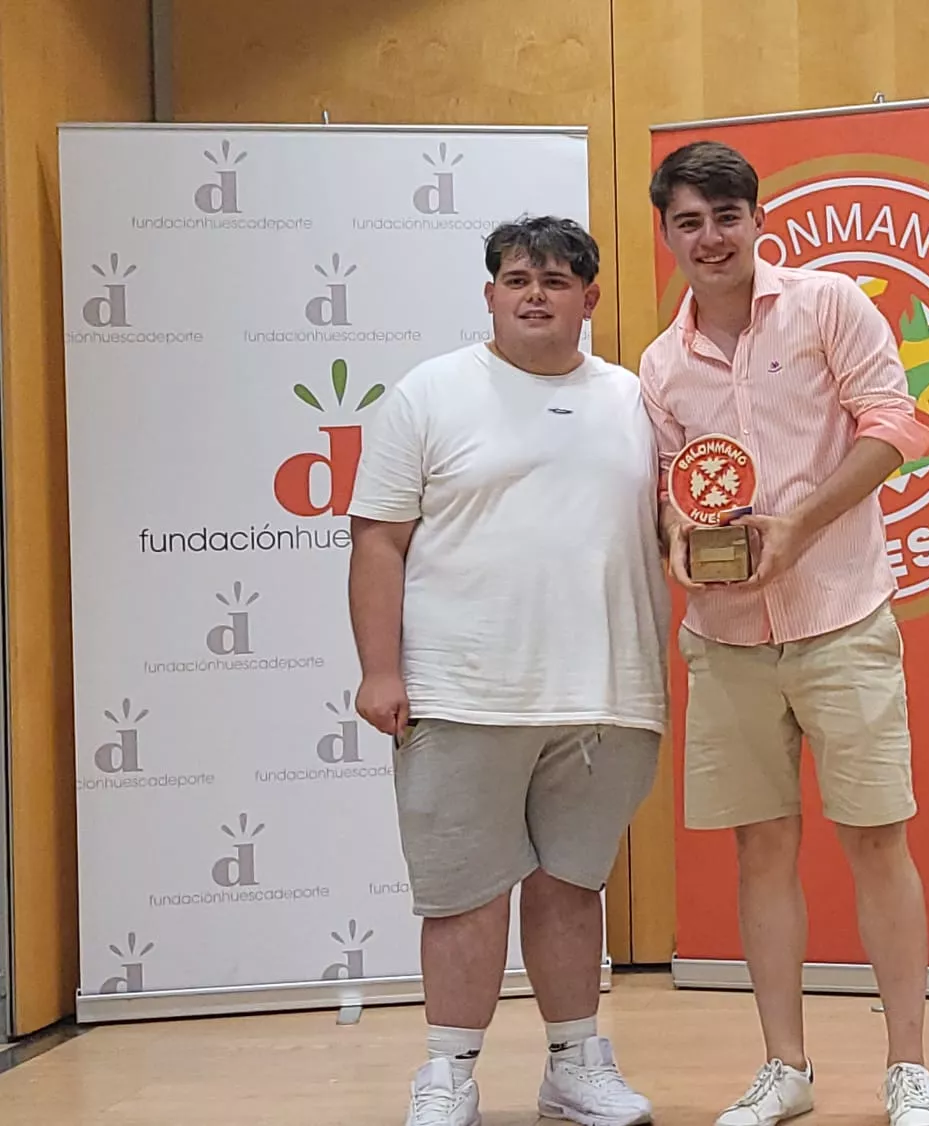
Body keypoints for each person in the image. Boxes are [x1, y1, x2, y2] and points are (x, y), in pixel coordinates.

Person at [638, 140, 929, 1126]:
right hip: (725, 637)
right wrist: (678, 531)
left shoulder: (827, 306)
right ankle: (786, 1067)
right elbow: (663, 487)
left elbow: (898, 426)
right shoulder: (658, 364)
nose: (709, 237)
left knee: (874, 838)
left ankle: (907, 1067)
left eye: (725, 216)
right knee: (760, 850)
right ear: (667, 235)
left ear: (755, 220)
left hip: (839, 618)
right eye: (688, 221)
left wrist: (800, 521)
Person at [347, 217, 667, 1126]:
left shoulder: (638, 400)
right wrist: (380, 669)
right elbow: (378, 540)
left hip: (609, 694)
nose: (536, 293)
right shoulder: (428, 394)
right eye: (518, 278)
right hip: (461, 691)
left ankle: (574, 1064)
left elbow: (674, 527)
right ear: (489, 293)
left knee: (573, 886)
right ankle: (447, 1073)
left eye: (558, 280)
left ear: (590, 299)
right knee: (464, 896)